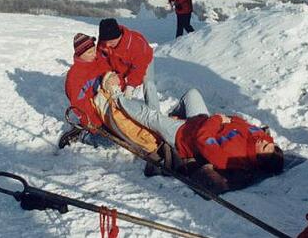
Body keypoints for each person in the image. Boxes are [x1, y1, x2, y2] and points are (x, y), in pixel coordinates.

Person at [102, 76, 284, 193]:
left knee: (150, 116)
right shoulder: (260, 136)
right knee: (192, 94)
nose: (263, 141)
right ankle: (169, 119)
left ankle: (117, 98)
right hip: (201, 121)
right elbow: (238, 120)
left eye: (264, 147)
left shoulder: (233, 156)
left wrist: (218, 121)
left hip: (183, 136)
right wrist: (223, 121)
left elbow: (202, 140)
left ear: (259, 159)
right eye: (269, 144)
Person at [61, 33, 160, 152]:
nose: (94, 54)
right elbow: (79, 106)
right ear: (80, 54)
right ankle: (84, 135)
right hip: (95, 114)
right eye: (89, 53)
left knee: (131, 126)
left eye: (93, 50)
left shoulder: (99, 59)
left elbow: (113, 74)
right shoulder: (74, 77)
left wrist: (118, 79)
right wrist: (96, 125)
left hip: (110, 103)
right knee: (114, 142)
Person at [97, 18, 157, 105]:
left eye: (111, 42)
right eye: (105, 42)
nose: (107, 45)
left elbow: (138, 70)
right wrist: (109, 75)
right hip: (120, 66)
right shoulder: (105, 40)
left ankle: (154, 112)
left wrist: (130, 86)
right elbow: (101, 60)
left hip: (144, 62)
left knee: (148, 84)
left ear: (119, 37)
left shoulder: (136, 44)